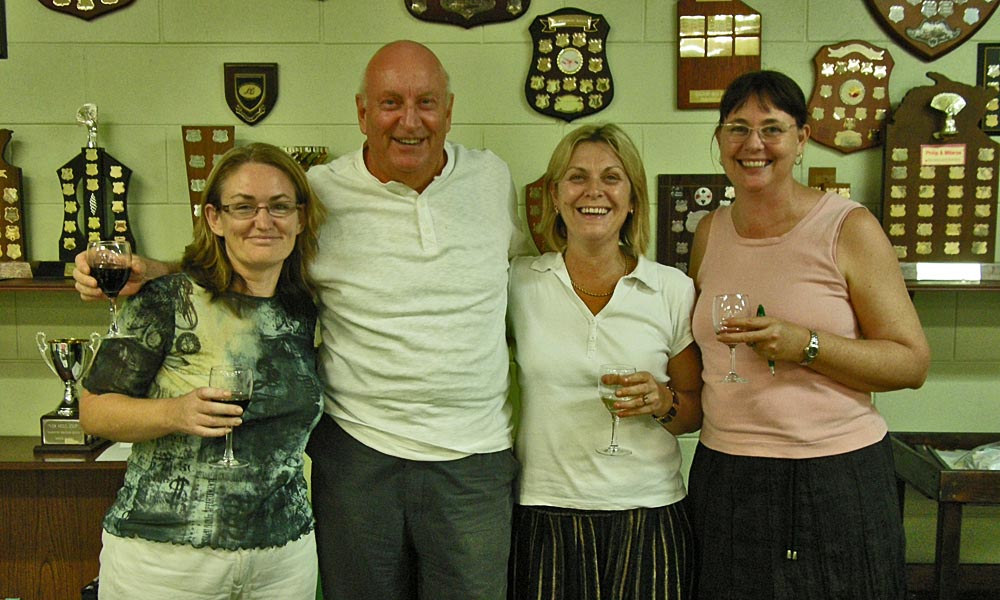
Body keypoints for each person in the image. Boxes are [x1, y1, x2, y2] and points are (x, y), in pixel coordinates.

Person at [75, 40, 532, 600]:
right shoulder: (322, 193)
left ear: (450, 109)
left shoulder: (491, 179)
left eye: (427, 102)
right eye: (390, 102)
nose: (409, 120)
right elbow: (244, 253)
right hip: (360, 456)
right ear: (362, 113)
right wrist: (157, 271)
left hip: (473, 458)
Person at [686, 70, 931, 600]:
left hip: (834, 475)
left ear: (801, 138)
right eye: (737, 128)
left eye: (772, 128)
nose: (754, 144)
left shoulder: (848, 226)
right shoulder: (710, 231)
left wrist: (808, 346)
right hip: (727, 474)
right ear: (720, 140)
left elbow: (911, 363)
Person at [78, 143, 326, 600]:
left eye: (279, 206)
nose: (263, 221)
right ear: (215, 219)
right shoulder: (166, 299)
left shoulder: (306, 309)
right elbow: (93, 413)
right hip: (165, 561)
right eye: (243, 207)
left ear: (300, 217)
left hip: (282, 559)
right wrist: (174, 413)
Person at [506, 123, 702, 600]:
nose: (594, 191)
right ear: (555, 195)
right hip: (544, 509)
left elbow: (695, 410)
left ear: (633, 198)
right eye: (577, 177)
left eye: (612, 177)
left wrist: (661, 400)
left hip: (648, 512)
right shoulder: (518, 283)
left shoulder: (671, 289)